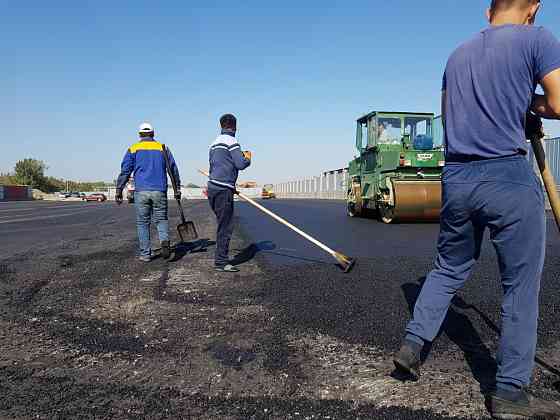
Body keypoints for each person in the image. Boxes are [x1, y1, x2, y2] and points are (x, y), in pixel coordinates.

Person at [393, 1, 560, 418]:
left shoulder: (457, 54)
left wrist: (510, 107)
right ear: (533, 8)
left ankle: (413, 346)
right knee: (519, 286)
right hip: (507, 175)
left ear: (489, 12)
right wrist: (529, 107)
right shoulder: (537, 38)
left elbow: (451, 117)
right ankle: (509, 394)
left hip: (458, 177)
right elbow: (558, 103)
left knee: (449, 267)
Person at [115, 122, 181, 262]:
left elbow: (125, 171)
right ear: (153, 133)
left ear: (139, 135)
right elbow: (173, 169)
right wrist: (177, 188)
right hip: (159, 190)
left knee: (142, 223)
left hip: (141, 191)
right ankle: (164, 241)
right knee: (161, 219)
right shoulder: (162, 148)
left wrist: (119, 190)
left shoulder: (133, 149)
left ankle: (145, 254)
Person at [207, 114, 251, 272]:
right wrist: (248, 158)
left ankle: (220, 257)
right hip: (223, 189)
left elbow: (214, 165)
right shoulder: (232, 142)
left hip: (212, 187)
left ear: (221, 126)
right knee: (225, 226)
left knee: (222, 223)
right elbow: (240, 164)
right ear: (235, 127)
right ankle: (221, 262)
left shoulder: (214, 143)